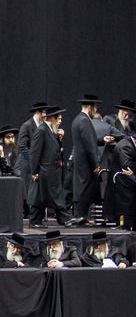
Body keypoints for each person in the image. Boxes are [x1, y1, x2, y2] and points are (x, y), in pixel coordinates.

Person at [29, 106, 69, 227]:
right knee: (40, 196)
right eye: (59, 119)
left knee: (52, 195)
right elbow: (35, 153)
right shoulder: (41, 130)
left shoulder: (51, 130)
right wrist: (34, 171)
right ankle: (35, 221)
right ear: (52, 118)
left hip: (52, 171)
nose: (60, 121)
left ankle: (63, 218)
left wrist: (59, 139)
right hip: (44, 170)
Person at [70, 94, 104, 225]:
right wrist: (95, 163)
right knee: (84, 188)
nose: (95, 110)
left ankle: (82, 215)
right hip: (86, 162)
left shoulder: (77, 119)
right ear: (90, 107)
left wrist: (101, 140)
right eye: (95, 107)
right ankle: (81, 216)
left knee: (82, 187)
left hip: (80, 161)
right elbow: (89, 144)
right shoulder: (84, 120)